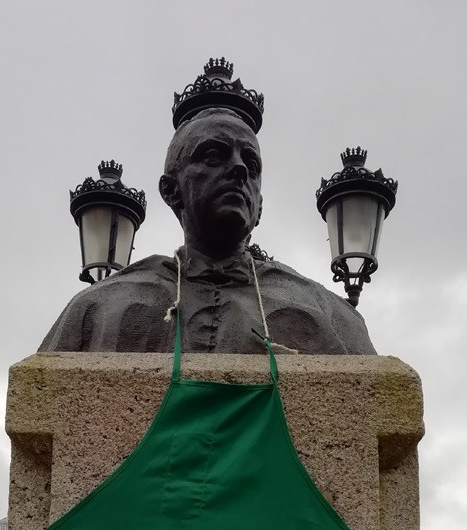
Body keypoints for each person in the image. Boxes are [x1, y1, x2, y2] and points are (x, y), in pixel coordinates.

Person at [39, 109, 375, 355]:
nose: (240, 169)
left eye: (252, 165)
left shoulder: (329, 317)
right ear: (172, 190)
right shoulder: (99, 309)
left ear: (259, 206)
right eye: (214, 156)